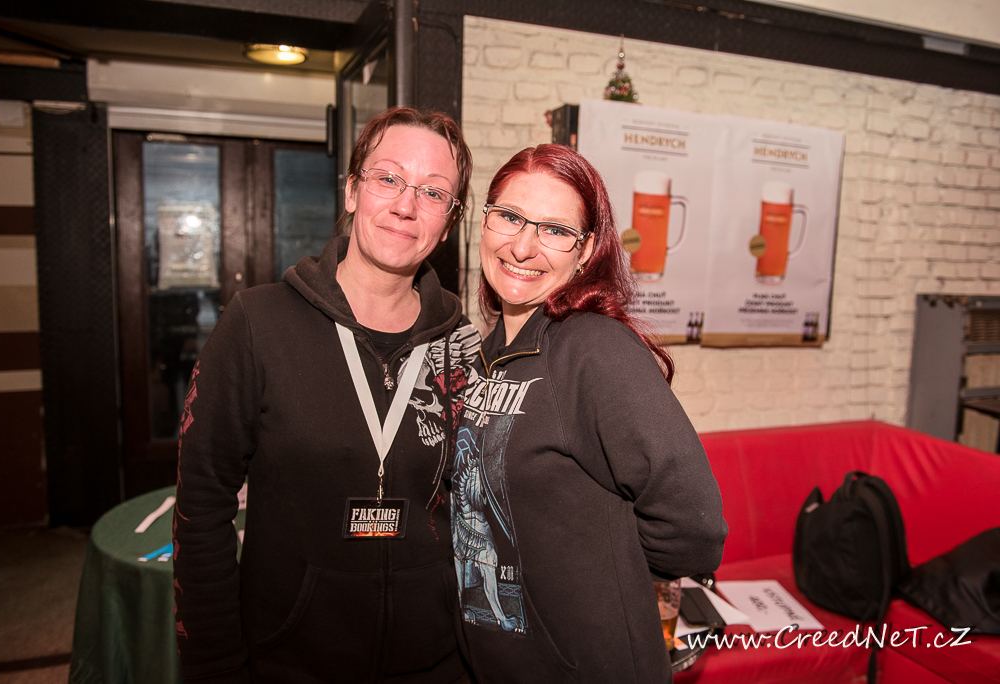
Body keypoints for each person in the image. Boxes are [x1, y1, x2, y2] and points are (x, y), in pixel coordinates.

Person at [172, 107, 481, 684]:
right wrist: (214, 667)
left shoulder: (462, 344)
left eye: (434, 192)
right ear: (352, 191)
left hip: (437, 664)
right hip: (289, 662)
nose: (406, 205)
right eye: (388, 178)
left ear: (448, 221)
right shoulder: (257, 324)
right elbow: (201, 508)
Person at [451, 144, 727, 683]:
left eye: (555, 230)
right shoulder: (487, 354)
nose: (523, 246)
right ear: (484, 222)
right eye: (510, 217)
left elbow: (695, 525)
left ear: (587, 251)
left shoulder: (596, 350)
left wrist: (612, 568)